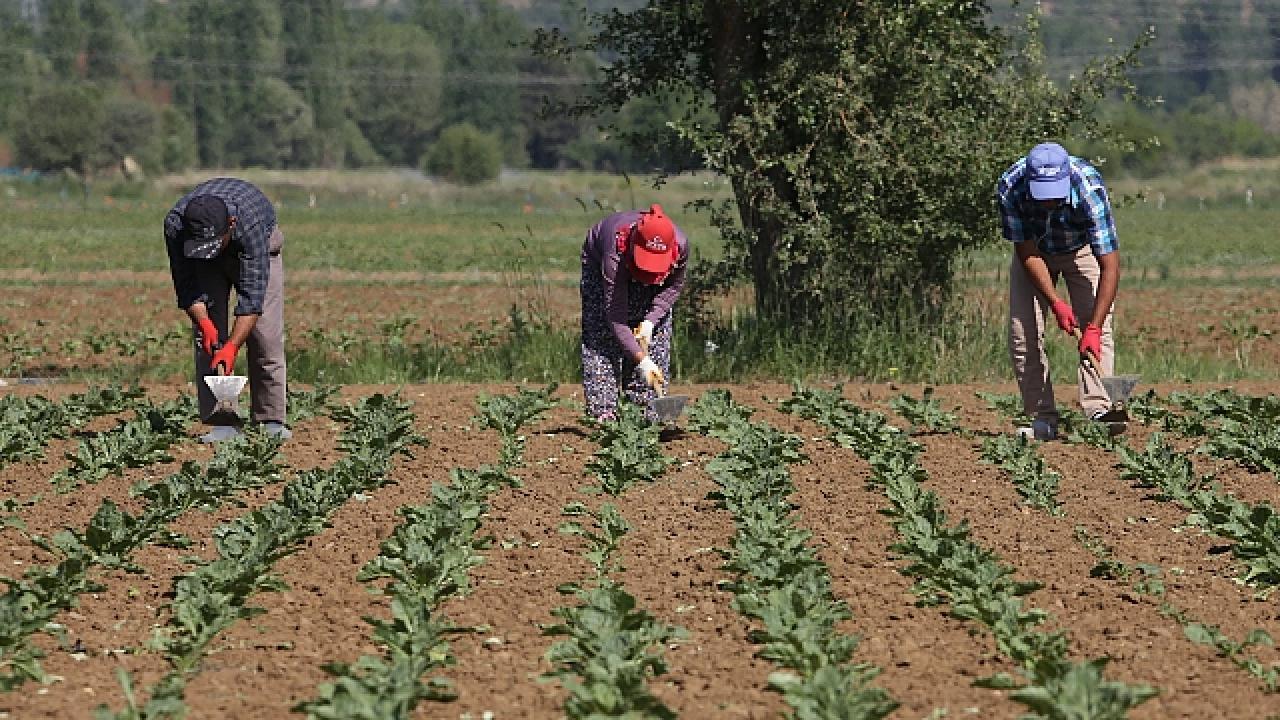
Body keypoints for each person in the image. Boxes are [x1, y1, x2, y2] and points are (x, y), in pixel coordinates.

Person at [996, 141, 1123, 440]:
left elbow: (1110, 266)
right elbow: (1026, 251)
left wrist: (1093, 327)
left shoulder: (1089, 189)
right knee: (1023, 333)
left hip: (1081, 250)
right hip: (1035, 255)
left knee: (1098, 331)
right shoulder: (1010, 188)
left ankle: (1100, 410)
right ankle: (1042, 418)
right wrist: (1055, 303)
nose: (1049, 202)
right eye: (1043, 195)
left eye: (1055, 194)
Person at [164, 178, 290, 442]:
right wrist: (205, 324)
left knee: (265, 336)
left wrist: (232, 346)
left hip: (260, 248)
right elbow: (186, 285)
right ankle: (223, 422)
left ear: (231, 225)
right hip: (206, 261)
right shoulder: (176, 225)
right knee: (209, 342)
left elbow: (252, 299)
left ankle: (270, 420)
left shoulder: (250, 223)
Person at [580, 204, 689, 422]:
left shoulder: (681, 246)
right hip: (603, 266)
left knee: (655, 337)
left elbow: (672, 288)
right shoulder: (615, 250)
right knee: (602, 337)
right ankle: (604, 413)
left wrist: (649, 322)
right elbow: (616, 315)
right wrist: (642, 361)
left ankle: (646, 413)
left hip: (646, 268)